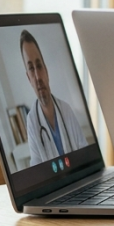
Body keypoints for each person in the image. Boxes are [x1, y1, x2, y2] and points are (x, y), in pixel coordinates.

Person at [20, 30, 88, 166]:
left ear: (46, 70)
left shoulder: (66, 110)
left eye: (39, 66)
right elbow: (37, 168)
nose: (38, 77)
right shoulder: (32, 122)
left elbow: (85, 153)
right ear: (28, 78)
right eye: (31, 69)